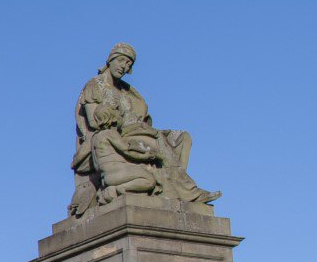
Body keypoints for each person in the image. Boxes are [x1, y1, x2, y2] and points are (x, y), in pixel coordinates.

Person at [69, 43, 217, 215]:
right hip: (117, 134)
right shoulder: (95, 85)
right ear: (111, 60)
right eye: (122, 61)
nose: (124, 67)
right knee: (158, 142)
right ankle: (186, 191)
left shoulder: (126, 90)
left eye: (128, 64)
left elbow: (141, 115)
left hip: (137, 129)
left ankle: (177, 188)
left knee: (182, 138)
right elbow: (94, 122)